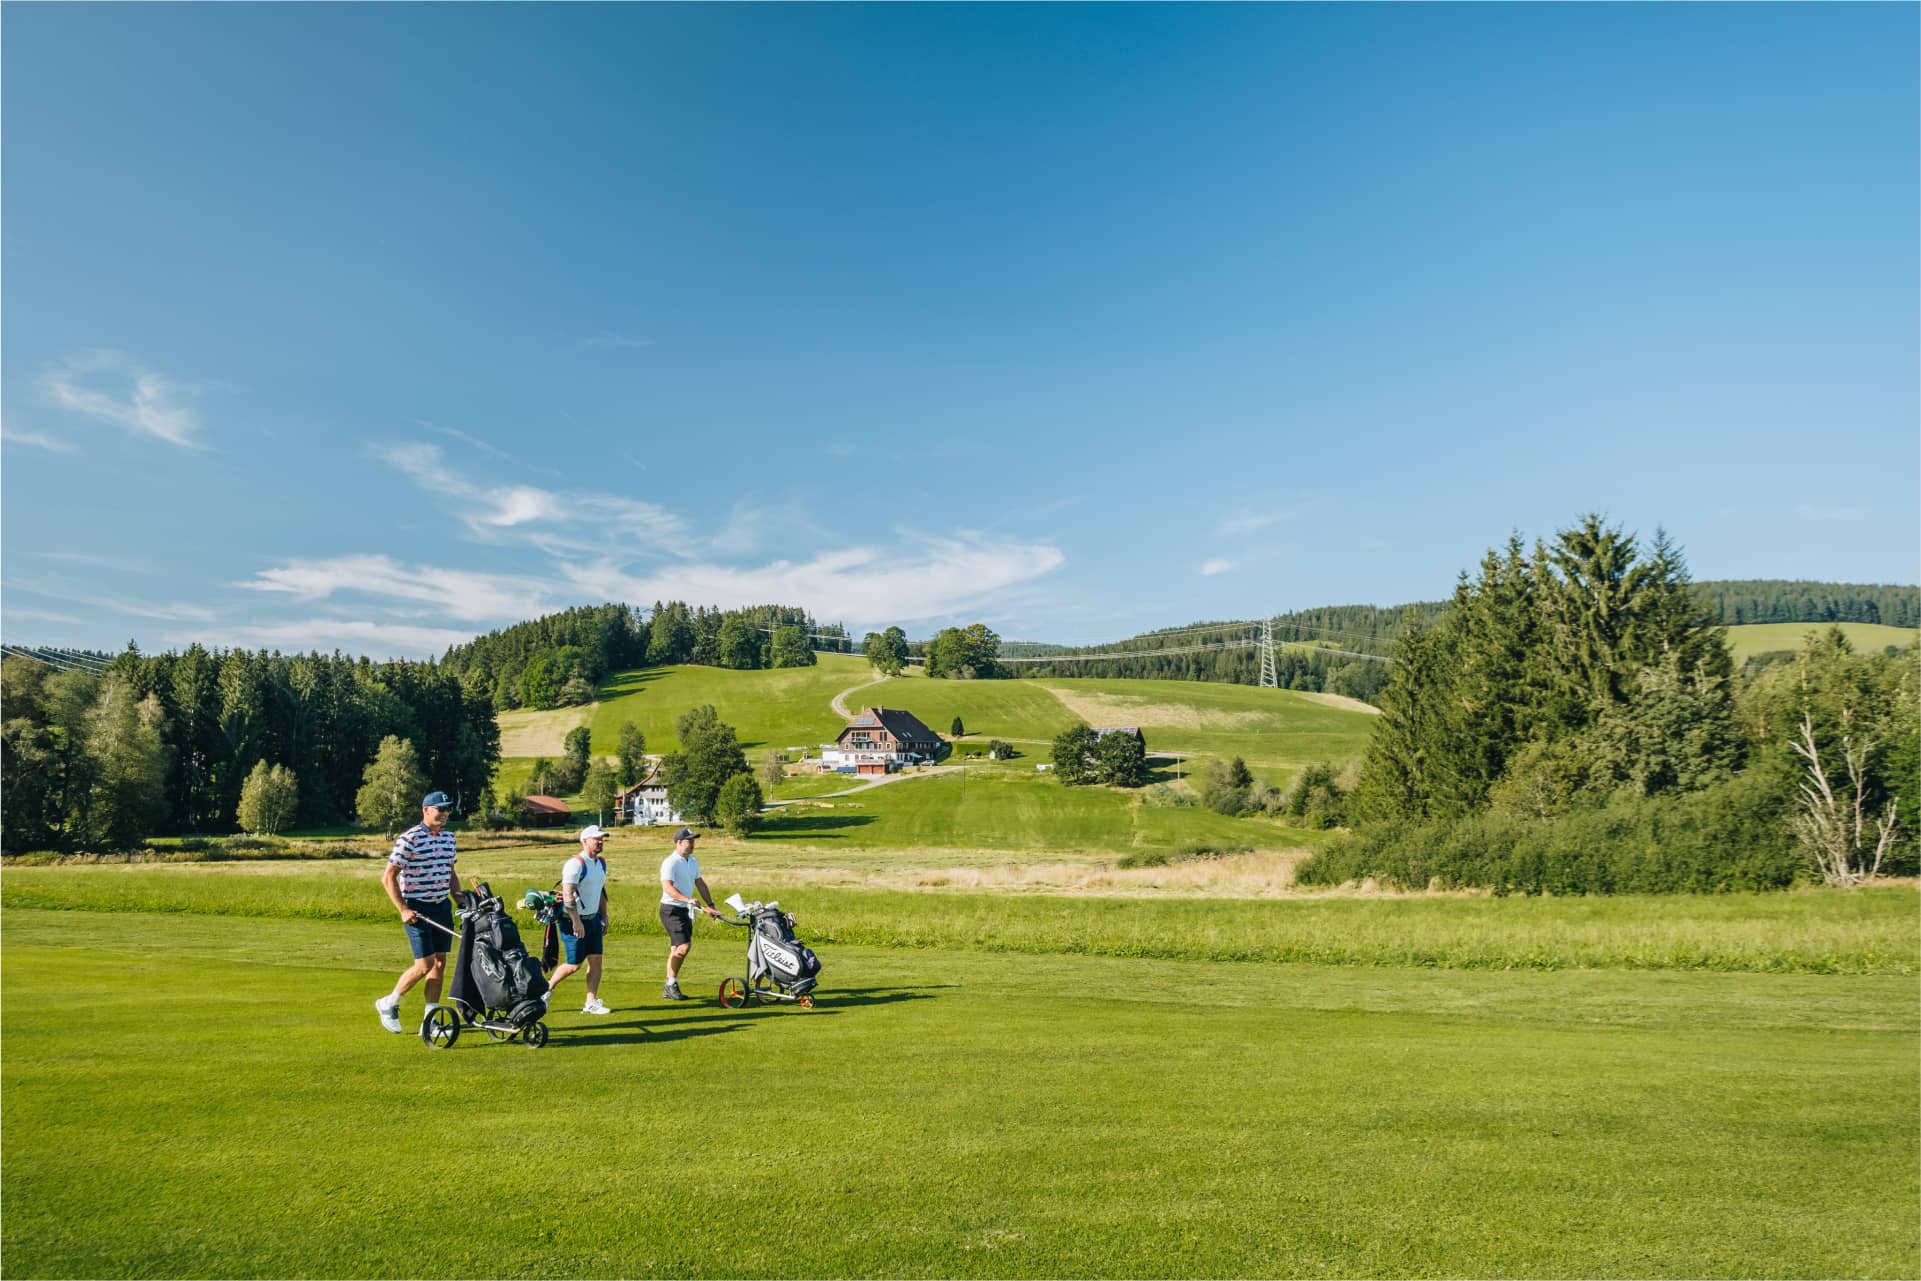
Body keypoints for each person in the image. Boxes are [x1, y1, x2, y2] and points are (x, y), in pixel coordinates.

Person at [375, 790, 459, 1034]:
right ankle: (388, 1003)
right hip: (417, 907)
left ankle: (430, 1019)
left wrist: (460, 899)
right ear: (426, 810)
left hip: (441, 905)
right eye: (439, 809)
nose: (444, 814)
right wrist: (403, 909)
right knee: (424, 965)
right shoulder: (409, 839)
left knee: (440, 963)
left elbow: (450, 872)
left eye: (447, 810)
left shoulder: (449, 839)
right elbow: (388, 877)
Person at [547, 824, 612, 1014]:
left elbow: (600, 890)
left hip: (593, 919)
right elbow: (568, 895)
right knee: (574, 964)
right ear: (584, 841)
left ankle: (590, 1002)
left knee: (596, 960)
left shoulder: (601, 863)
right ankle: (547, 988)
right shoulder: (575, 864)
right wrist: (576, 921)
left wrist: (604, 915)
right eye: (596, 839)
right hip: (571, 920)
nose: (600, 842)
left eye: (602, 838)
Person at [658, 826, 719, 1001]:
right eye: (689, 841)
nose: (692, 844)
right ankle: (670, 984)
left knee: (677, 949)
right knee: (683, 948)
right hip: (671, 909)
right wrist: (688, 899)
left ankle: (670, 984)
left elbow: (700, 883)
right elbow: (668, 888)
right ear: (679, 843)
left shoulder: (692, 861)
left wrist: (711, 905)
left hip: (684, 909)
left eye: (693, 841)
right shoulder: (670, 862)